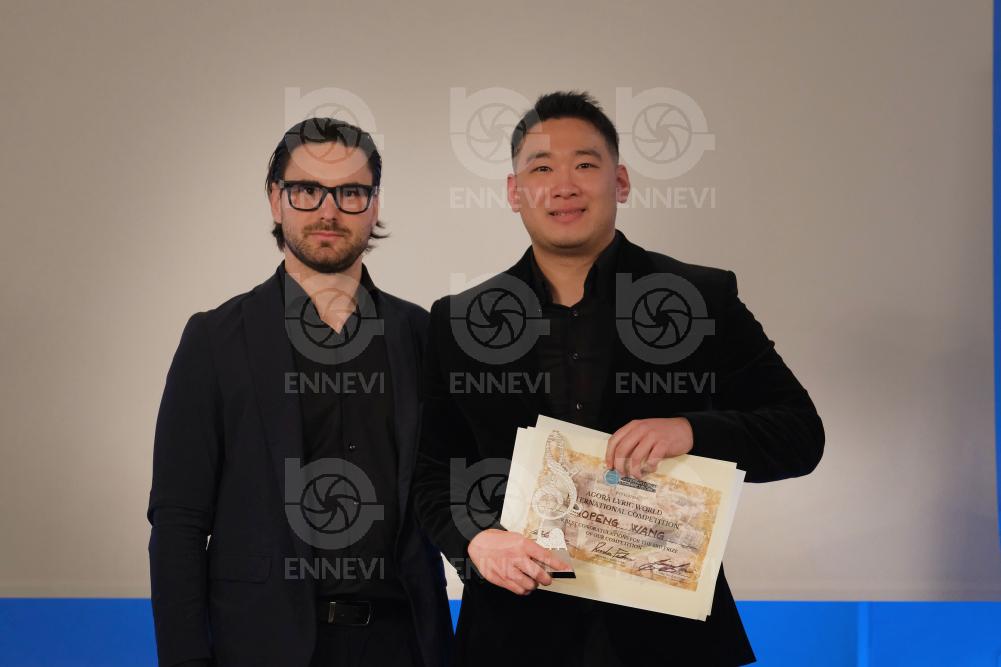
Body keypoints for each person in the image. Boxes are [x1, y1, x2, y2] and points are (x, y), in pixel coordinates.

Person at [412, 91, 824, 666]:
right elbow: (431, 470)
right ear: (514, 192)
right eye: (541, 169)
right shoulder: (461, 321)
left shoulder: (700, 297)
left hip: (673, 637)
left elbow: (800, 434)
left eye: (585, 164)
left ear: (621, 181)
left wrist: (691, 430)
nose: (564, 186)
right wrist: (476, 541)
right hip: (513, 635)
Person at [148, 117, 451, 667]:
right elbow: (178, 523)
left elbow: (453, 487)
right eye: (307, 190)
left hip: (403, 643)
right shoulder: (214, 341)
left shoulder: (422, 335)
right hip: (261, 647)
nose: (328, 211)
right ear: (275, 199)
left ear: (374, 205)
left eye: (351, 192)